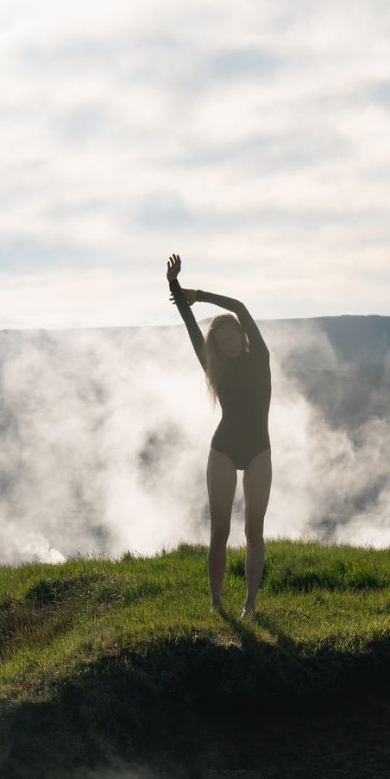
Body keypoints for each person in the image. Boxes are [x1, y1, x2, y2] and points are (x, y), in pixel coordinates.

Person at [167, 252, 272, 615]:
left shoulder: (260, 357)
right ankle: (215, 604)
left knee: (254, 532)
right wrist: (175, 287)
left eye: (233, 339)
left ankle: (250, 605)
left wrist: (199, 293)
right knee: (220, 531)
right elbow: (190, 325)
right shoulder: (215, 366)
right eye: (222, 342)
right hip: (223, 449)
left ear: (242, 337)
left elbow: (240, 307)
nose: (229, 345)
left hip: (259, 449)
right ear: (217, 346)